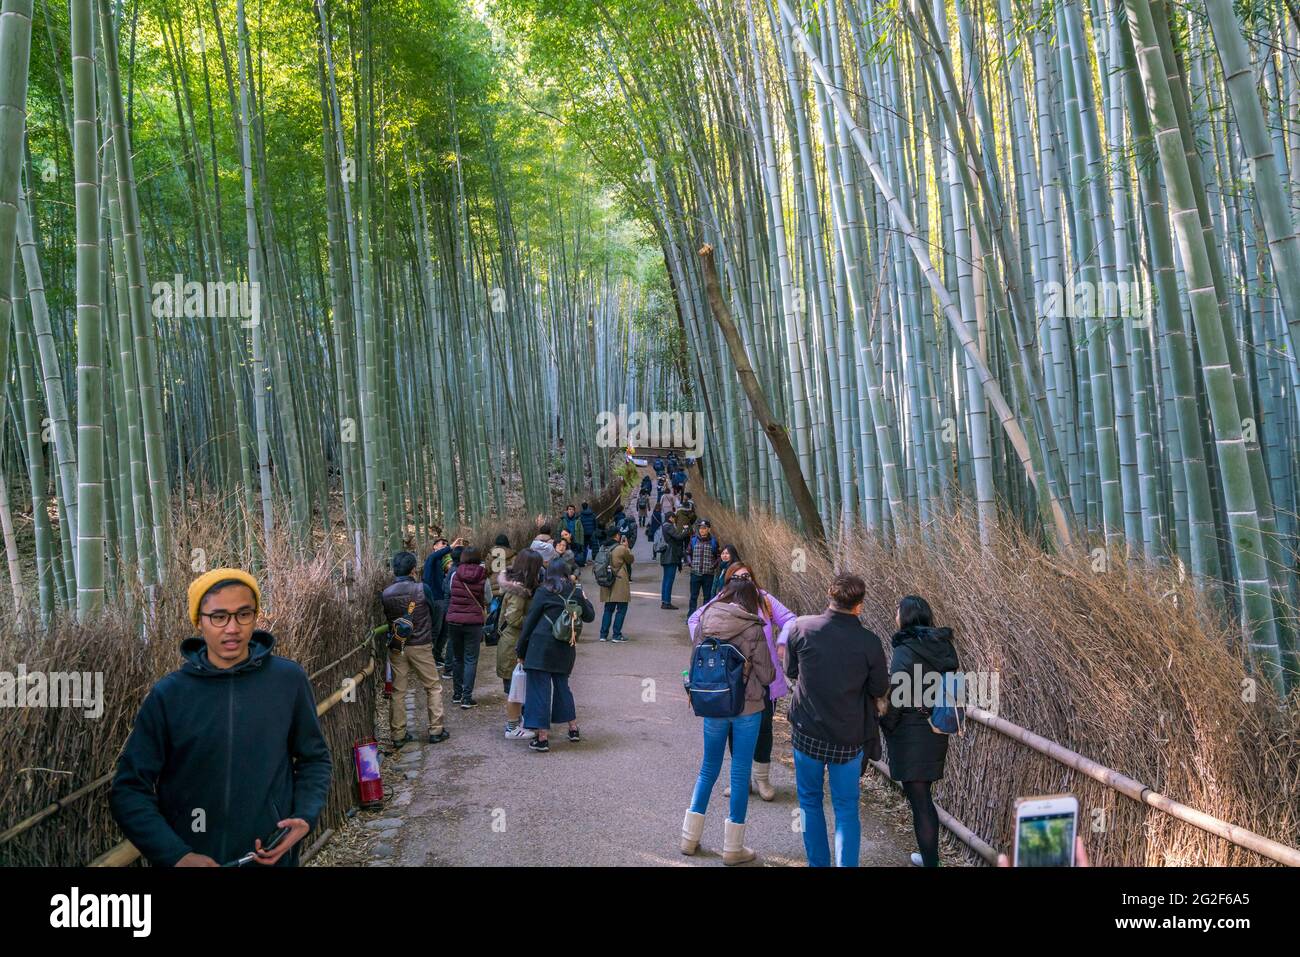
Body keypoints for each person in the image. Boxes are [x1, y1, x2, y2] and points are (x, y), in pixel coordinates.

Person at [109, 569, 332, 867]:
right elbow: (128, 789)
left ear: (255, 616)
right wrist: (177, 855)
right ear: (198, 621)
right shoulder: (169, 695)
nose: (232, 628)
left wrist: (305, 815)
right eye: (218, 617)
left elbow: (314, 759)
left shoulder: (287, 680)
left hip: (268, 856)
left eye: (243, 614)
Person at [783, 573, 887, 867]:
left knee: (810, 802)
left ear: (830, 597)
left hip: (807, 732)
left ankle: (818, 863)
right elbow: (879, 689)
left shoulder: (801, 628)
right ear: (859, 606)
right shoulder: (869, 642)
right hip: (848, 737)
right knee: (846, 808)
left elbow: (791, 671)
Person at [680, 578, 776, 865]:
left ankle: (689, 838)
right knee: (739, 771)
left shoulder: (706, 619)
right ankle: (733, 848)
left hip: (713, 704)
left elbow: (694, 660)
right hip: (747, 708)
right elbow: (768, 675)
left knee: (707, 768)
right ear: (748, 600)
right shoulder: (752, 626)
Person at [690, 562, 796, 802]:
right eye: (736, 577)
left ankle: (763, 778)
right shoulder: (720, 602)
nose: (742, 581)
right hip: (728, 680)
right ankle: (742, 780)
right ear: (727, 582)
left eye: (746, 576)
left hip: (764, 680)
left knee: (765, 729)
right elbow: (694, 620)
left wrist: (782, 642)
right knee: (730, 730)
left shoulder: (764, 600)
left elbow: (790, 618)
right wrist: (707, 651)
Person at [879, 594, 960, 868]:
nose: (895, 615)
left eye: (897, 610)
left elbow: (898, 693)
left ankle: (931, 862)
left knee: (920, 800)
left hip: (911, 731)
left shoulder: (906, 648)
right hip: (936, 728)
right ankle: (929, 858)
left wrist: (886, 723)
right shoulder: (942, 646)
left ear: (907, 616)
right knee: (923, 797)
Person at [515, 557, 595, 752]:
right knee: (562, 687)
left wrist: (521, 649)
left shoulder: (543, 591)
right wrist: (584, 597)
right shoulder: (575, 591)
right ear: (567, 573)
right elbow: (590, 616)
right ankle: (573, 728)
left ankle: (542, 738)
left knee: (539, 690)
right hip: (565, 647)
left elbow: (530, 622)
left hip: (540, 647)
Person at [381, 552, 451, 748]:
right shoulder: (422, 589)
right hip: (420, 644)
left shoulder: (386, 594)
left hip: (397, 646)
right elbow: (432, 610)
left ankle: (398, 734)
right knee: (433, 687)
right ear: (413, 569)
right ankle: (436, 730)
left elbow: (389, 617)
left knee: (398, 691)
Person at [496, 549, 543, 740]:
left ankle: (522, 722)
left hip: (514, 642)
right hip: (513, 644)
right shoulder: (519, 590)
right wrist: (536, 620)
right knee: (515, 690)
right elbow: (514, 618)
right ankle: (512, 728)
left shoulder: (518, 586)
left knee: (518, 687)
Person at [446, 545, 493, 709]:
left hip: (454, 620)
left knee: (457, 658)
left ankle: (457, 694)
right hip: (474, 622)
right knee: (470, 659)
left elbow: (451, 593)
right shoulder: (483, 576)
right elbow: (488, 597)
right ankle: (467, 698)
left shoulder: (454, 574)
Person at [421, 536, 454, 669]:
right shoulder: (431, 559)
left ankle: (437, 655)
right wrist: (450, 547)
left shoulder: (442, 561)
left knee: (445, 630)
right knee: (436, 629)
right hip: (435, 599)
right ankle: (430, 658)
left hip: (444, 599)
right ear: (434, 546)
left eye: (446, 544)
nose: (444, 546)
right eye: (442, 544)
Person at [597, 528, 634, 642]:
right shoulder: (621, 548)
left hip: (606, 580)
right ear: (617, 536)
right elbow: (631, 560)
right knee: (621, 608)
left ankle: (603, 634)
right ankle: (616, 635)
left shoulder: (602, 547)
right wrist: (627, 547)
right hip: (619, 581)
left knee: (608, 609)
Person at [686, 519, 721, 614]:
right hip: (695, 574)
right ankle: (691, 616)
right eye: (700, 528)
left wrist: (714, 565)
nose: (702, 530)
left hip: (708, 575)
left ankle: (704, 616)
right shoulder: (693, 540)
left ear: (708, 529)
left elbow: (719, 556)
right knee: (693, 596)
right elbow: (688, 553)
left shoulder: (713, 542)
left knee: (707, 597)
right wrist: (690, 563)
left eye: (704, 528)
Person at [657, 512, 688, 609]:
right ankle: (666, 602)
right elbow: (678, 537)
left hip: (666, 555)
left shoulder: (663, 526)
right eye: (674, 518)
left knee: (666, 579)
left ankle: (664, 601)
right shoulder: (668, 526)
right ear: (671, 518)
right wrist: (685, 531)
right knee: (669, 580)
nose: (675, 520)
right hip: (670, 556)